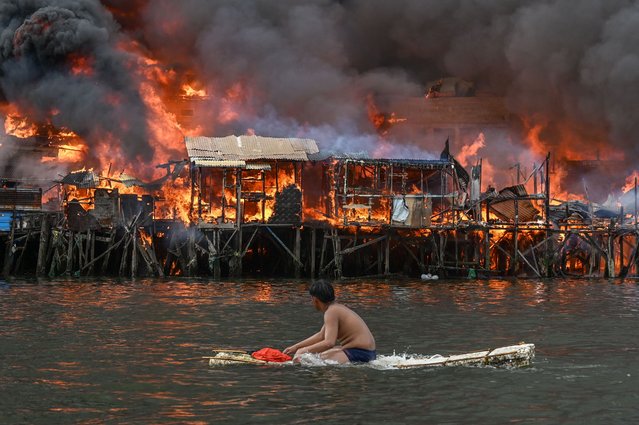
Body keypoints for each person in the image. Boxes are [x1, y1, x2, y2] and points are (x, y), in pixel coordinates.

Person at [283, 280, 376, 364]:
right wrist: (295, 347)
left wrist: (302, 351)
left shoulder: (331, 312)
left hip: (361, 353)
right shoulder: (335, 308)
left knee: (311, 360)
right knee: (316, 356)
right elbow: (321, 335)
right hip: (368, 353)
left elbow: (329, 342)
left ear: (315, 300)